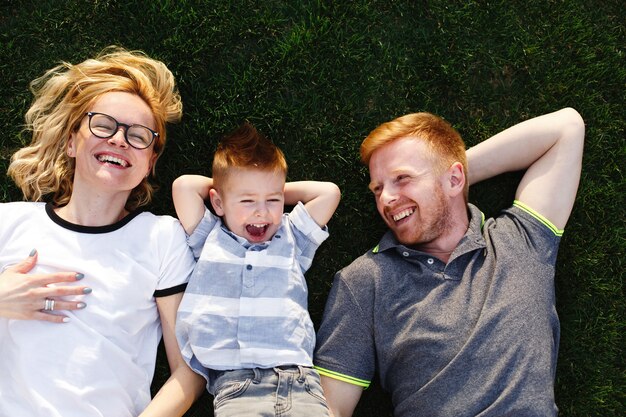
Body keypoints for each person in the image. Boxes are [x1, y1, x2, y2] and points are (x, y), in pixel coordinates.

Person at [314, 108, 585, 416]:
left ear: (455, 178)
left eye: (402, 178)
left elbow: (567, 127)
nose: (386, 199)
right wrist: (428, 183)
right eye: (378, 189)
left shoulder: (520, 240)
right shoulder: (365, 281)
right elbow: (330, 408)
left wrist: (449, 179)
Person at [0, 47, 205, 417]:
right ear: (71, 141)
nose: (119, 139)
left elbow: (189, 373)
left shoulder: (161, 238)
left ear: (150, 163)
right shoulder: (8, 222)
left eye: (139, 135)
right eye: (103, 125)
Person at [173, 122, 341, 416]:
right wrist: (227, 187)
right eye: (247, 201)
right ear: (217, 202)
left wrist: (273, 188)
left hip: (301, 381)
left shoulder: (291, 237)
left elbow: (329, 193)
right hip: (238, 387)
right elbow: (183, 186)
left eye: (272, 201)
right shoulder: (210, 237)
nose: (262, 212)